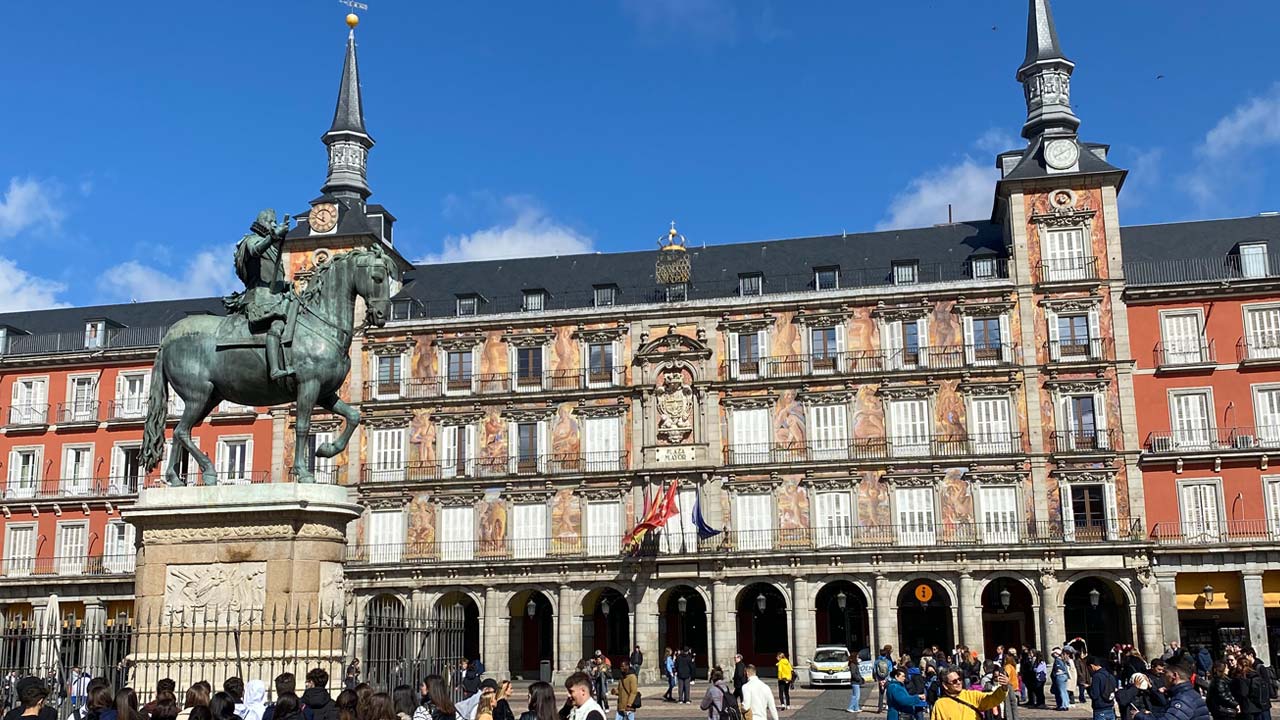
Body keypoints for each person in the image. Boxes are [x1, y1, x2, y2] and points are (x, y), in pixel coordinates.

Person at [1135, 657, 1209, 720]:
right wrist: (1150, 715)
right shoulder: (1186, 693)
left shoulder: (1183, 698)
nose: (1163, 677)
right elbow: (1170, 715)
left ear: (1174, 675)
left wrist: (1139, 716)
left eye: (1165, 673)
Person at [929, 667, 1010, 720]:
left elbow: (992, 698)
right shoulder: (940, 705)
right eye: (954, 681)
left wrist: (1004, 688)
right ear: (945, 685)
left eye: (959, 679)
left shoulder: (972, 695)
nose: (958, 682)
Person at [1087, 656, 1119, 720]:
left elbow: (1094, 695)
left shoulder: (1096, 677)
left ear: (1092, 666)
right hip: (1110, 708)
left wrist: (1088, 688)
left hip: (1100, 709)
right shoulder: (1110, 676)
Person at [874, 647, 895, 713]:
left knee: (881, 694)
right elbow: (890, 671)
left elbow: (874, 671)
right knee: (888, 693)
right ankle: (889, 706)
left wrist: (878, 679)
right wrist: (887, 679)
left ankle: (880, 708)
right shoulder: (888, 662)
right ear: (886, 654)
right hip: (887, 679)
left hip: (880, 679)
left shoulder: (876, 661)